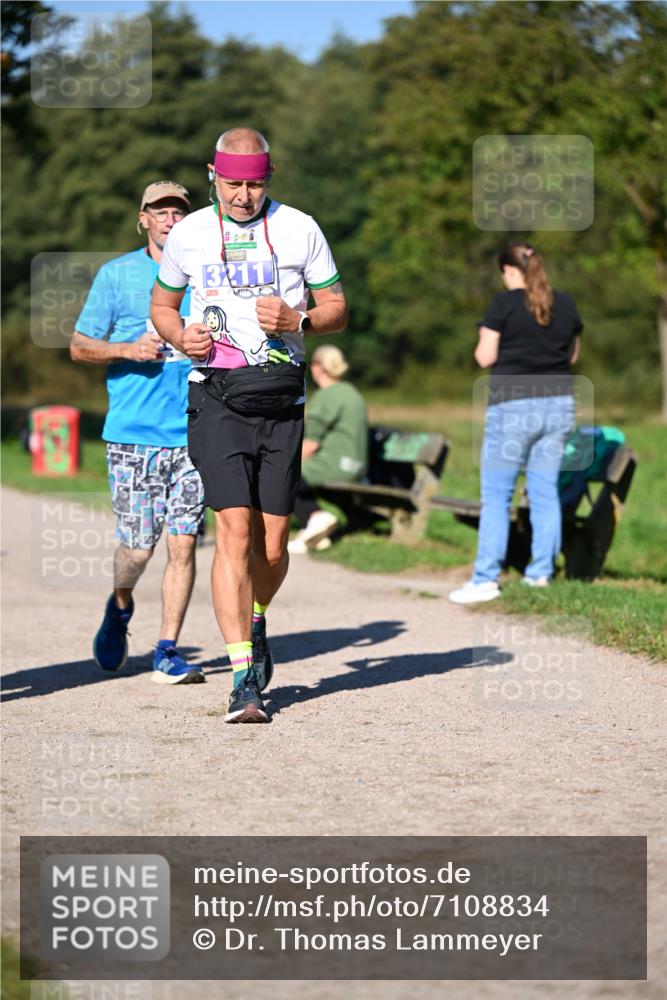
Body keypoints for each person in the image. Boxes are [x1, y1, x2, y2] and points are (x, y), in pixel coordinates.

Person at [150, 127, 348, 723]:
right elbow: (162, 307)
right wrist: (178, 334)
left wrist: (300, 318)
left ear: (270, 176)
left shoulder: (300, 228)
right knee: (233, 531)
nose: (243, 195)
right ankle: (242, 677)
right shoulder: (187, 233)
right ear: (214, 176)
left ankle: (257, 619)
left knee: (272, 542)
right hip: (214, 397)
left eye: (255, 182)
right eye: (233, 182)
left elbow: (338, 307)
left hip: (282, 400)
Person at [71, 181, 207, 683]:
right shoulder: (118, 275)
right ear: (143, 219)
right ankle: (120, 604)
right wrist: (129, 350)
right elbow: (80, 347)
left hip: (197, 432)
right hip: (134, 435)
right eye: (160, 211)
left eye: (179, 211)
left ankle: (166, 649)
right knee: (138, 549)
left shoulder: (208, 273)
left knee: (183, 543)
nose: (170, 218)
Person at [449, 242, 582, 604]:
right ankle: (540, 575)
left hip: (514, 405)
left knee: (496, 495)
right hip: (558, 404)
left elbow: (484, 356)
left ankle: (486, 579)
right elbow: (573, 354)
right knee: (544, 491)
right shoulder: (566, 303)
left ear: (508, 270)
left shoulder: (503, 304)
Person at [288, 344, 367, 554]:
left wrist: (289, 464)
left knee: (283, 476)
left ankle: (315, 518)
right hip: (357, 467)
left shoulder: (327, 396)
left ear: (318, 367)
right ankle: (318, 535)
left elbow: (311, 444)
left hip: (335, 466)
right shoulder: (352, 392)